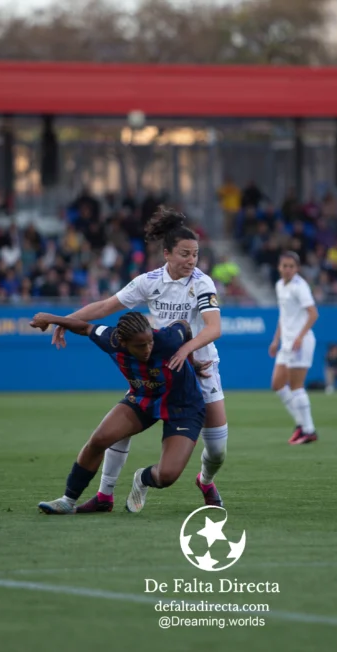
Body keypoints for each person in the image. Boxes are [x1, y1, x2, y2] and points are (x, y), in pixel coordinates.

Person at [49, 206, 227, 512]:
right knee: (119, 428)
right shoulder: (149, 281)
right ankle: (104, 495)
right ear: (167, 253)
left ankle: (206, 481)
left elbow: (214, 328)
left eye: (195, 254)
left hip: (201, 371)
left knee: (217, 450)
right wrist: (64, 321)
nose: (192, 261)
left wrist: (186, 350)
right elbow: (105, 307)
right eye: (185, 254)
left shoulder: (202, 283)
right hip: (157, 368)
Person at [33, 312, 217, 515]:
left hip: (184, 406)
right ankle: (68, 500)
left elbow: (184, 325)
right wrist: (52, 318)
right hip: (143, 399)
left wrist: (190, 360)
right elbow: (85, 327)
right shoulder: (110, 339)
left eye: (149, 342)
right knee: (99, 439)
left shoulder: (167, 338)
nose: (147, 349)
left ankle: (142, 478)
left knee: (166, 476)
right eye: (140, 346)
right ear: (122, 342)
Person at [269, 251, 320, 444]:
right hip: (287, 342)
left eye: (291, 266)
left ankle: (309, 430)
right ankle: (301, 424)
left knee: (296, 386)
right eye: (285, 266)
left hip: (301, 341)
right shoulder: (280, 285)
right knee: (277, 384)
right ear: (279, 267)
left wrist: (299, 337)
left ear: (297, 268)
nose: (288, 269)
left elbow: (313, 314)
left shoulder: (300, 286)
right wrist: (276, 340)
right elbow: (284, 316)